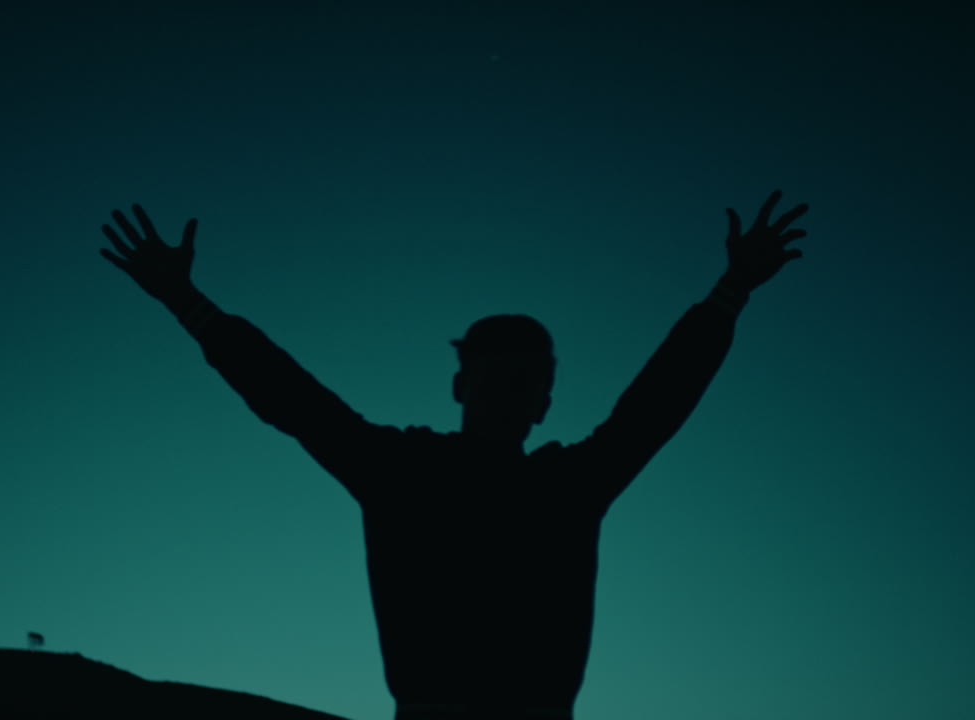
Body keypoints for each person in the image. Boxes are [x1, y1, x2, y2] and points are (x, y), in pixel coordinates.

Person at [100, 190, 808, 720]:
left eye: (525, 379)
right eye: (497, 374)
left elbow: (657, 403)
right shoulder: (404, 472)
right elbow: (288, 395)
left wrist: (732, 291)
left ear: (543, 403)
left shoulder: (560, 484)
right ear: (461, 386)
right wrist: (185, 302)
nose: (508, 389)